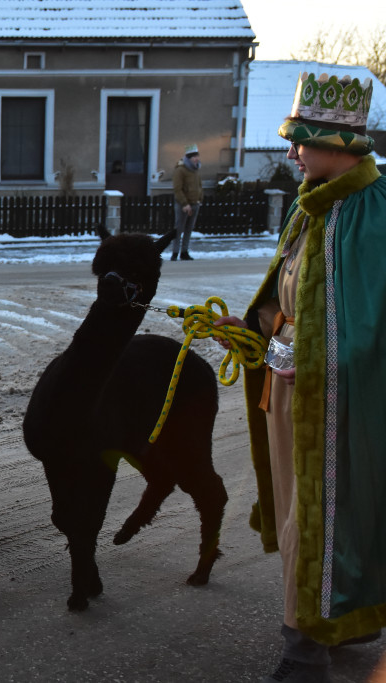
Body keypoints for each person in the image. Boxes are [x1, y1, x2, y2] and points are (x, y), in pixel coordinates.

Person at [215, 72, 386, 682]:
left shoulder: (371, 214)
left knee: (324, 515)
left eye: (301, 143)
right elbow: (290, 296)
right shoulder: (310, 204)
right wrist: (254, 325)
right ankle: (338, 622)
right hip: (291, 391)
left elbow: (367, 324)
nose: (291, 153)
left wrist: (313, 364)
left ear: (340, 147)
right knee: (298, 513)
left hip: (337, 402)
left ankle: (306, 647)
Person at [170, 142, 202, 261]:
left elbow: (199, 186)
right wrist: (184, 203)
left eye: (197, 156)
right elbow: (177, 189)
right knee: (179, 229)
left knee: (189, 229)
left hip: (195, 203)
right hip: (183, 205)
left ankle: (184, 251)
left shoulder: (196, 170)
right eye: (194, 157)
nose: (196, 159)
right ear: (189, 158)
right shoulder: (181, 170)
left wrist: (199, 199)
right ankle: (175, 252)